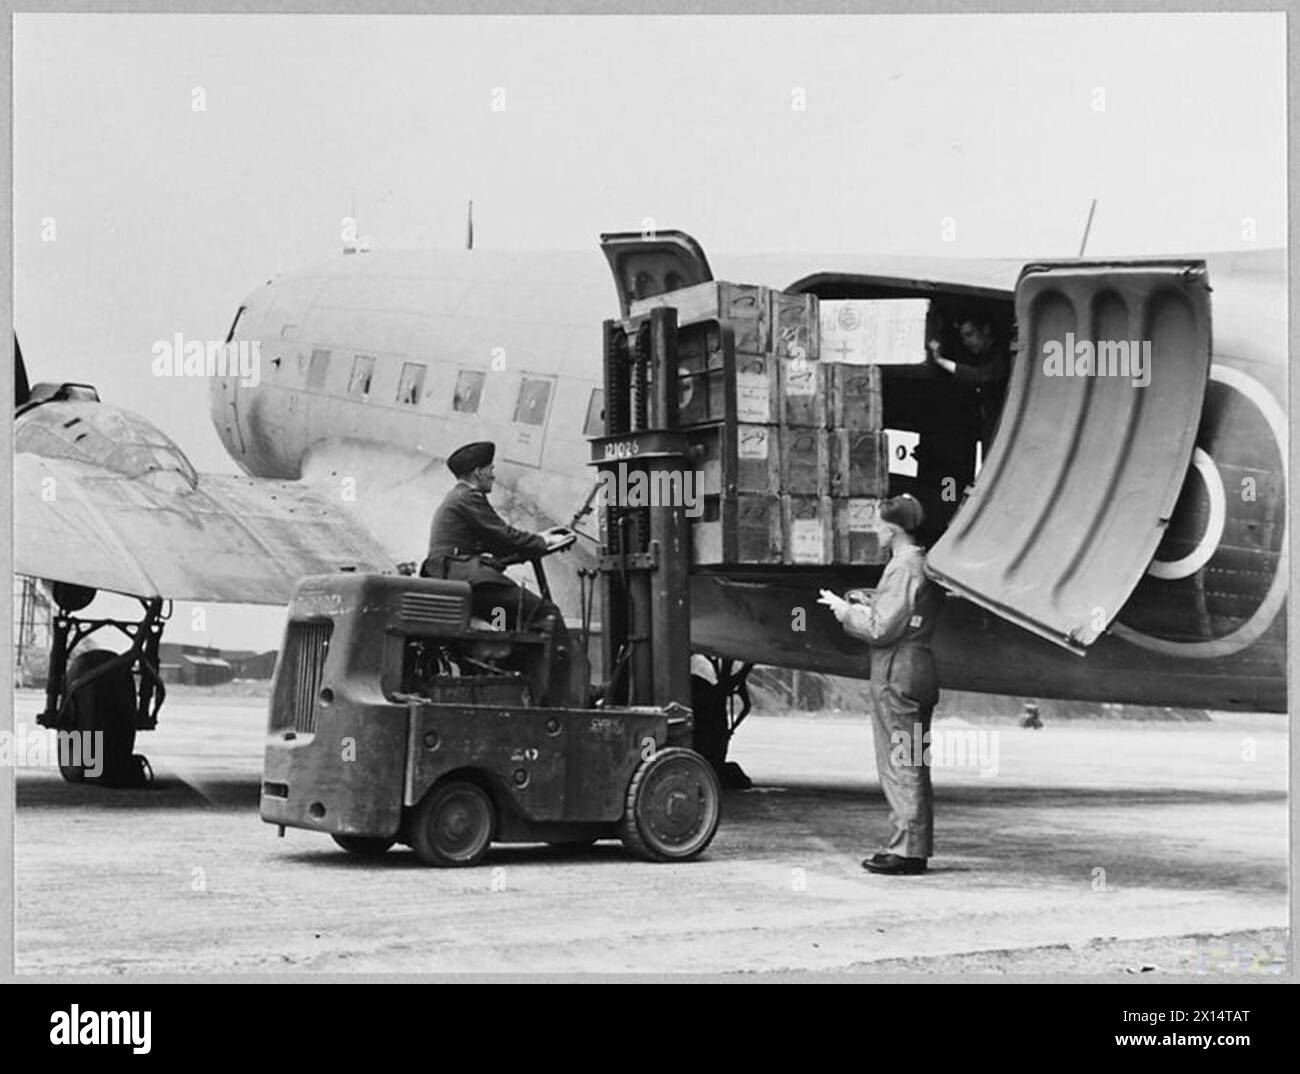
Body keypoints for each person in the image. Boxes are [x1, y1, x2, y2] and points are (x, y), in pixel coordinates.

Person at [817, 493, 943, 876]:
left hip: (895, 675)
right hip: (919, 668)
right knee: (915, 763)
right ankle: (915, 845)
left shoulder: (902, 566)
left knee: (899, 763)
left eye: (877, 524)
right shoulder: (924, 562)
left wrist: (847, 613)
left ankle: (905, 850)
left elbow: (881, 628)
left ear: (892, 528)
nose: (873, 530)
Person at [421, 440, 576, 700]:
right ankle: (562, 695)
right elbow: (504, 536)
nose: (493, 474)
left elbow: (499, 545)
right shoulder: (468, 497)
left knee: (506, 621)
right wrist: (541, 542)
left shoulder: (458, 499)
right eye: (490, 468)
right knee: (544, 613)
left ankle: (518, 685)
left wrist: (536, 543)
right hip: (469, 580)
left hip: (459, 578)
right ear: (478, 472)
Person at [927, 312, 1010, 449]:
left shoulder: (1000, 354)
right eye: (963, 337)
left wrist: (941, 361)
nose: (966, 342)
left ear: (985, 330)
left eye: (970, 335)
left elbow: (984, 376)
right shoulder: (984, 356)